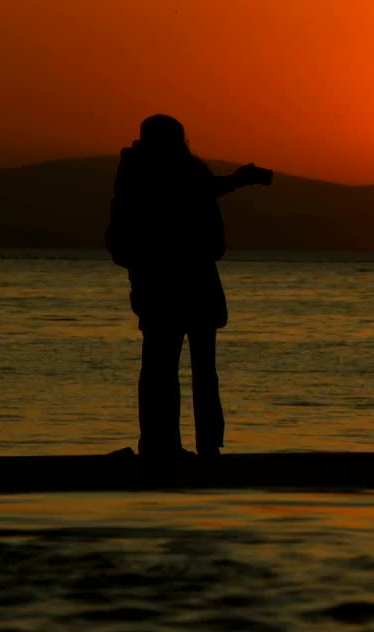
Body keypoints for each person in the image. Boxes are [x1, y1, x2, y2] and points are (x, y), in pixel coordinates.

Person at [106, 114, 272, 458]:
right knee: (168, 368)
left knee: (177, 368)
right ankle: (167, 444)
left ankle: (191, 444)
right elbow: (186, 195)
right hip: (169, 285)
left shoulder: (153, 171)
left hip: (185, 283)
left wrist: (235, 181)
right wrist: (237, 181)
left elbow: (195, 194)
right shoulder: (147, 172)